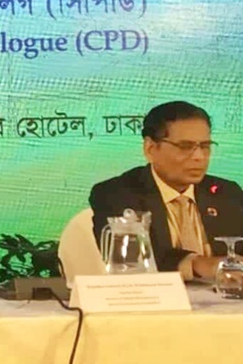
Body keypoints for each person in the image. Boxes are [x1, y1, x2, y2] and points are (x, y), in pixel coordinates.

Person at [90, 101, 243, 279]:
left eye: (205, 146)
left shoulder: (227, 193)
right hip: (152, 294)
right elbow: (132, 259)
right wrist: (198, 264)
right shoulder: (116, 193)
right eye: (185, 147)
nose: (199, 157)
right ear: (150, 149)